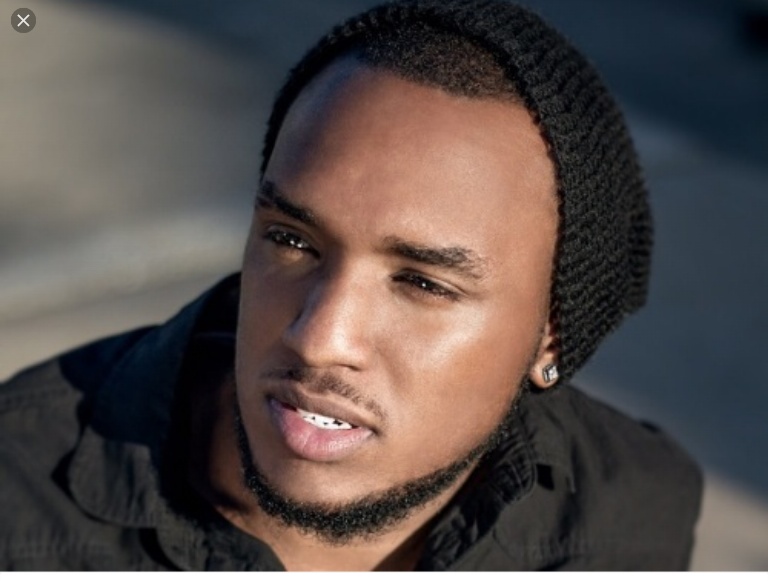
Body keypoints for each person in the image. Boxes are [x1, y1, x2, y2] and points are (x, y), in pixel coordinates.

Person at [0, 0, 702, 571]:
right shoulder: (18, 497)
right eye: (292, 241)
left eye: (422, 283)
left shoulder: (629, 517)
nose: (319, 338)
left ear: (553, 335)